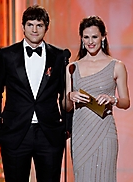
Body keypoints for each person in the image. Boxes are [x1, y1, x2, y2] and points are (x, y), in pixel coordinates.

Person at [0, 5, 70, 182]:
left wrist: (66, 125)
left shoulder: (58, 56)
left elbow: (65, 94)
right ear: (23, 26)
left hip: (49, 133)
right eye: (30, 24)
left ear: (46, 27)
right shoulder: (6, 55)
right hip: (15, 132)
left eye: (39, 25)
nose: (34, 29)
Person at [63, 15, 130, 182]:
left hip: (105, 132)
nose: (90, 41)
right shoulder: (72, 67)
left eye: (94, 36)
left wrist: (112, 99)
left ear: (103, 37)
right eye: (86, 37)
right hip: (80, 134)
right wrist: (70, 96)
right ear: (81, 39)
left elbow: (126, 102)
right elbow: (66, 107)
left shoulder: (117, 66)